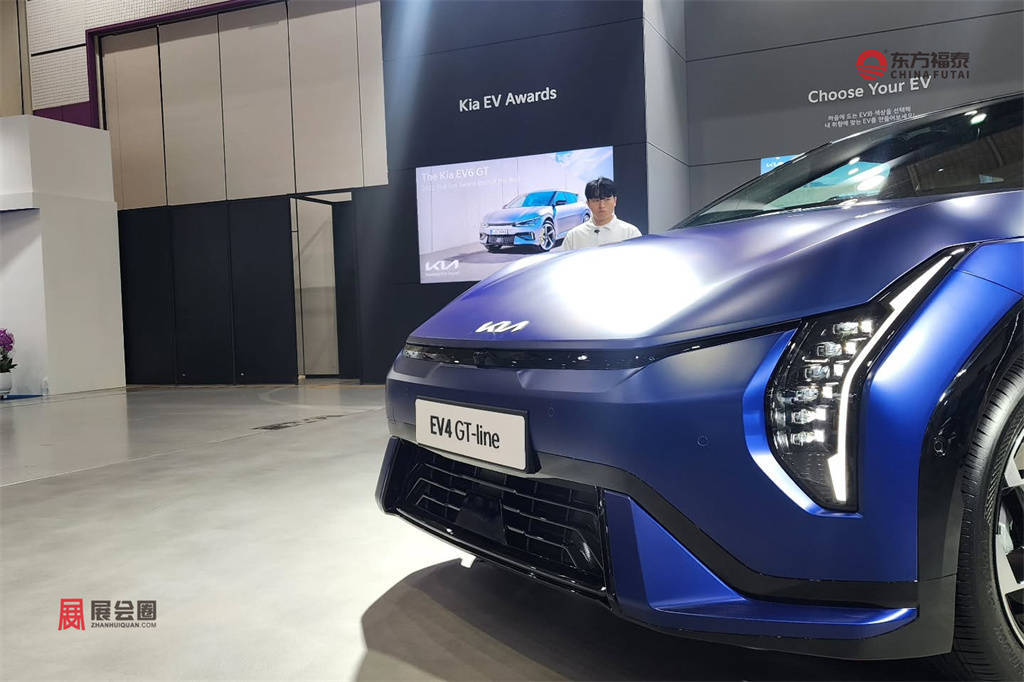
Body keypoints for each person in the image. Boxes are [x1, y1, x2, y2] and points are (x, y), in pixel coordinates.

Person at [561, 177, 642, 251]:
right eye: (596, 200)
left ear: (615, 201)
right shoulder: (574, 236)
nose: (602, 205)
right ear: (588, 203)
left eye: (607, 199)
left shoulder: (630, 233)